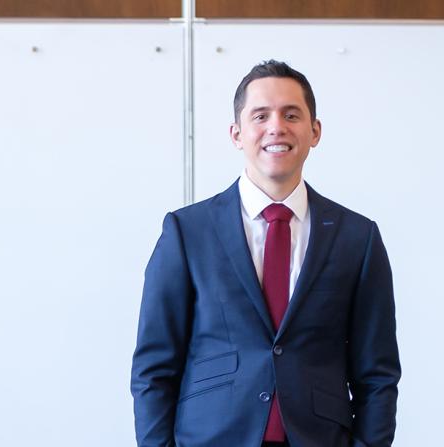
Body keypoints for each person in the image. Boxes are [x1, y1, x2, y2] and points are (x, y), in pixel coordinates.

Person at [130, 60, 400, 447]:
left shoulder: (357, 237)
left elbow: (378, 375)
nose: (277, 126)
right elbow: (153, 370)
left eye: (292, 114)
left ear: (315, 131)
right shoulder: (187, 232)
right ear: (237, 134)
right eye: (261, 115)